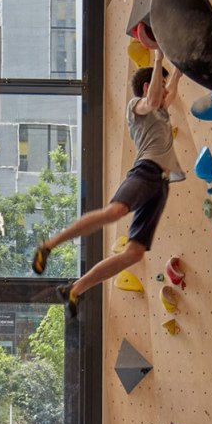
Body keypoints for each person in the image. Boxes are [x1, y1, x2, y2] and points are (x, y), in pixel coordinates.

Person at [32, 51, 182, 316]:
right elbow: (155, 97)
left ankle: (75, 289)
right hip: (145, 171)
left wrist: (178, 67)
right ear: (147, 87)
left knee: (134, 253)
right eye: (158, 85)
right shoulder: (137, 107)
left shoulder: (160, 112)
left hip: (160, 185)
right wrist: (158, 59)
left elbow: (169, 91)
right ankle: (49, 245)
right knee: (114, 212)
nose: (164, 95)